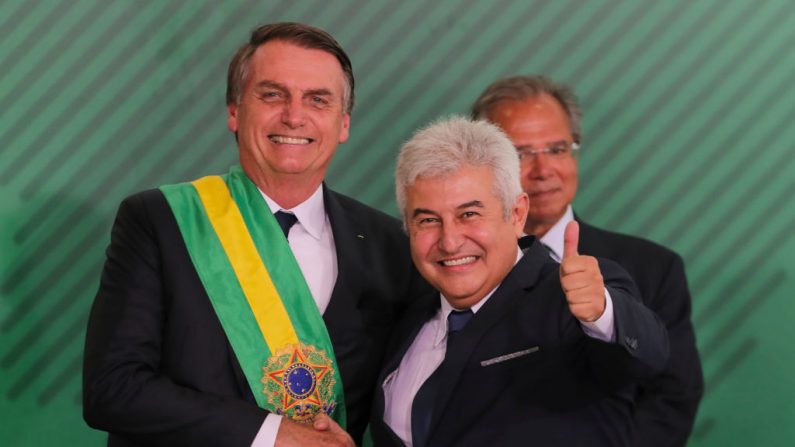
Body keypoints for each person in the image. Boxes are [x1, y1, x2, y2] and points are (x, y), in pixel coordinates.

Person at [83, 22, 426, 447]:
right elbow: (112, 390)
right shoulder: (161, 220)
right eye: (272, 95)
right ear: (234, 111)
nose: (294, 116)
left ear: (343, 124)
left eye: (317, 99)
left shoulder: (391, 244)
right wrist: (271, 434)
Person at [369, 116, 669, 446]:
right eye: (428, 220)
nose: (450, 241)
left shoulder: (567, 301)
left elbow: (647, 353)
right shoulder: (406, 320)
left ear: (516, 214)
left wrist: (602, 312)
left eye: (469, 214)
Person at [470, 75, 704, 446]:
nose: (544, 170)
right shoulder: (451, 266)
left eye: (558, 149)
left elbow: (671, 399)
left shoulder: (653, 269)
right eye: (520, 153)